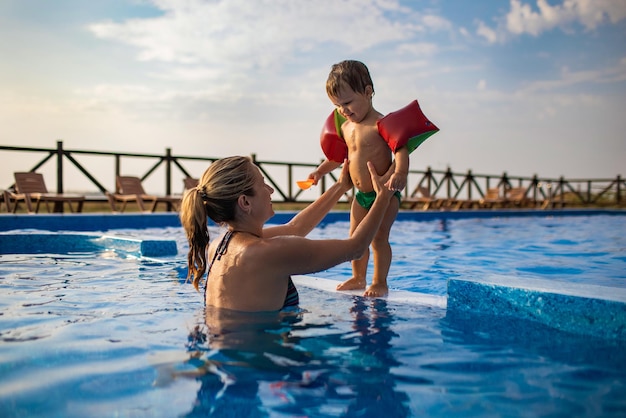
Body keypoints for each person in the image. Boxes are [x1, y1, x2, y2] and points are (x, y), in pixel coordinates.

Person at [179, 155, 393, 312]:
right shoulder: (267, 252)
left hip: (229, 361)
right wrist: (383, 197)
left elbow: (296, 228)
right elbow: (356, 248)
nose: (271, 190)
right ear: (245, 202)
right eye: (263, 184)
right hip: (265, 368)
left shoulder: (220, 245)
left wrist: (340, 186)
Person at [308, 60, 409, 298]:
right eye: (337, 105)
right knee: (355, 238)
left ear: (367, 92)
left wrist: (400, 173)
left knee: (378, 239)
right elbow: (340, 157)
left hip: (384, 194)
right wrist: (320, 171)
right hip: (361, 195)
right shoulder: (346, 127)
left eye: (347, 102)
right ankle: (357, 277)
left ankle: (379, 281)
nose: (343, 110)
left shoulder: (381, 124)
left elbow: (401, 150)